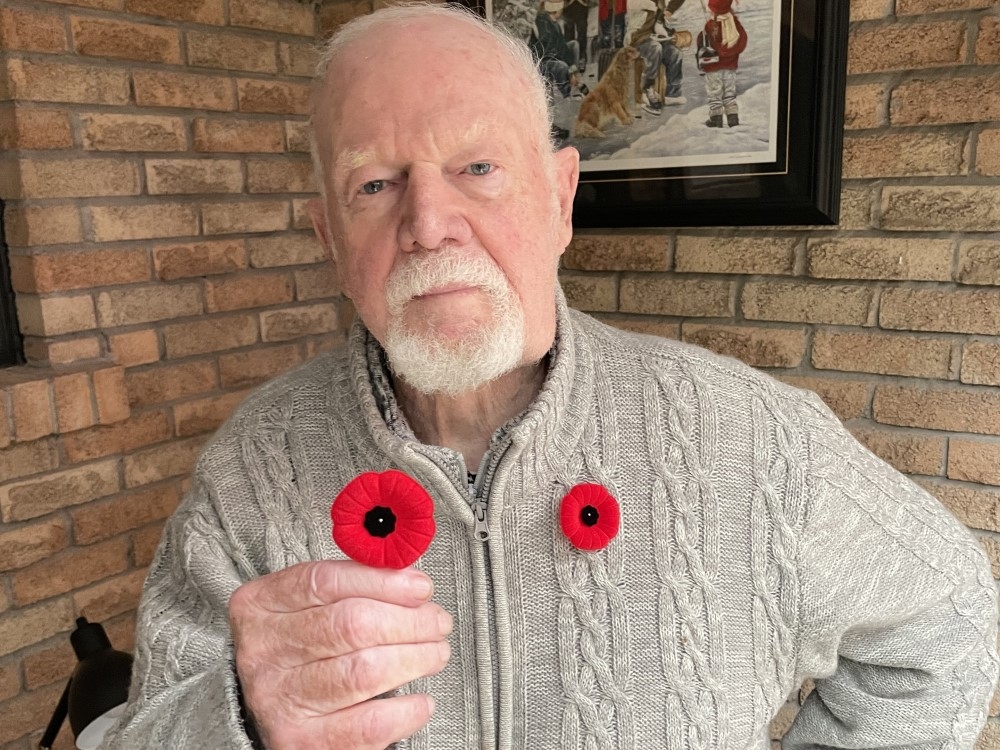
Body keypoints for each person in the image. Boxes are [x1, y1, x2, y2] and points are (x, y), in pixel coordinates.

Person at [104, 4, 999, 750]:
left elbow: (949, 619)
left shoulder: (759, 440)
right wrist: (237, 719)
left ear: (561, 197)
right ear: (327, 237)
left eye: (477, 168)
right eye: (375, 184)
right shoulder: (247, 472)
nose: (429, 222)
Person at [627, 0, 687, 113]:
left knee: (674, 52)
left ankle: (673, 93)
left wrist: (663, 32)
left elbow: (659, 24)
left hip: (654, 37)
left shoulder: (659, 3)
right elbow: (634, 27)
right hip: (639, 39)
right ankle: (647, 89)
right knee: (655, 48)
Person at [699, 0, 747, 127]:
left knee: (714, 93)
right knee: (729, 92)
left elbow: (705, 48)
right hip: (730, 66)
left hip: (713, 67)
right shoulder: (735, 23)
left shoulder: (710, 25)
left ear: (714, 10)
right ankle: (733, 118)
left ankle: (716, 119)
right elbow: (742, 42)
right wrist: (731, 52)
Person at [531, 0, 588, 99]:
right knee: (562, 66)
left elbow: (562, 46)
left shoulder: (555, 24)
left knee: (574, 45)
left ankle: (573, 81)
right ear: (557, 10)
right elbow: (548, 50)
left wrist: (573, 68)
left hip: (553, 55)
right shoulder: (542, 23)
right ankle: (567, 93)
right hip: (543, 59)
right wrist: (568, 68)